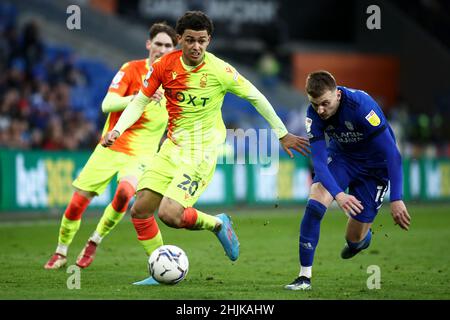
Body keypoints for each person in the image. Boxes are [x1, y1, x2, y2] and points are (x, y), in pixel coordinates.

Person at [102, 11, 310, 282]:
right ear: (179, 39)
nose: (196, 46)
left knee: (169, 214)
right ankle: (159, 269)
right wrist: (118, 129)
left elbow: (256, 97)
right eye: (190, 40)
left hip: (201, 153)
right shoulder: (165, 66)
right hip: (171, 147)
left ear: (209, 40)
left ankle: (218, 223)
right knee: (140, 211)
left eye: (202, 40)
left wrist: (281, 133)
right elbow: (140, 101)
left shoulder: (219, 71)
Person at [44, 22, 178, 270]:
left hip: (141, 156)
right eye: (158, 43)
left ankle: (94, 241)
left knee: (126, 193)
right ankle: (61, 251)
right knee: (77, 203)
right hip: (111, 146)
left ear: (174, 50)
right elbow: (107, 104)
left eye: (168, 45)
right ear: (149, 44)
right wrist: (140, 97)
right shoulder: (131, 69)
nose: (161, 49)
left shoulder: (176, 84)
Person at [285, 70, 411, 290]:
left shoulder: (362, 106)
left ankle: (361, 240)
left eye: (325, 103)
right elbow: (320, 165)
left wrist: (397, 198)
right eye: (315, 104)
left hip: (375, 167)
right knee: (315, 202)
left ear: (338, 95)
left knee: (354, 239)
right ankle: (304, 277)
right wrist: (339, 195)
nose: (320, 110)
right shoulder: (312, 114)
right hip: (343, 159)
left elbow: (392, 154)